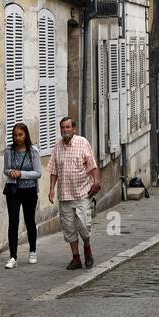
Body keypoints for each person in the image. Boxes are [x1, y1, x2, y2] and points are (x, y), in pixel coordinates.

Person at [47, 116, 99, 270]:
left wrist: (96, 181)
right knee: (69, 228)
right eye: (62, 127)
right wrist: (51, 189)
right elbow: (54, 170)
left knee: (84, 225)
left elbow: (92, 166)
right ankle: (76, 258)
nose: (65, 130)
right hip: (65, 195)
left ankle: (87, 249)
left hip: (82, 193)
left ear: (74, 129)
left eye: (68, 127)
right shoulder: (57, 146)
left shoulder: (82, 143)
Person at [3, 122, 41, 268]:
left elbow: (38, 173)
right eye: (15, 135)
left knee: (29, 220)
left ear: (26, 135)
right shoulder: (9, 151)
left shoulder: (33, 151)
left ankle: (32, 251)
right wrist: (10, 172)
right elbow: (5, 169)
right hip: (13, 190)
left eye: (20, 135)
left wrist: (21, 174)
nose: (17, 138)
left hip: (29, 190)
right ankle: (13, 256)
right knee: (13, 221)